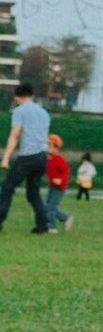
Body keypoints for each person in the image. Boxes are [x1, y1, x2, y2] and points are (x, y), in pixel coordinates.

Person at [0, 82, 53, 236]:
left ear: (17, 97)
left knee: (7, 188)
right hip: (42, 156)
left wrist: (6, 158)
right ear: (32, 95)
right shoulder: (44, 112)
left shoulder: (19, 111)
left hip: (28, 155)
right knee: (33, 192)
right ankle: (42, 225)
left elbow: (15, 134)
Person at [44, 135, 73, 232]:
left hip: (59, 187)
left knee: (51, 206)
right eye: (48, 145)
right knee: (48, 206)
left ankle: (51, 226)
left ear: (56, 148)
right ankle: (66, 218)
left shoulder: (58, 159)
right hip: (52, 186)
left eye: (50, 145)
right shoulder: (48, 159)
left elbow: (66, 171)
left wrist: (60, 179)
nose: (49, 148)